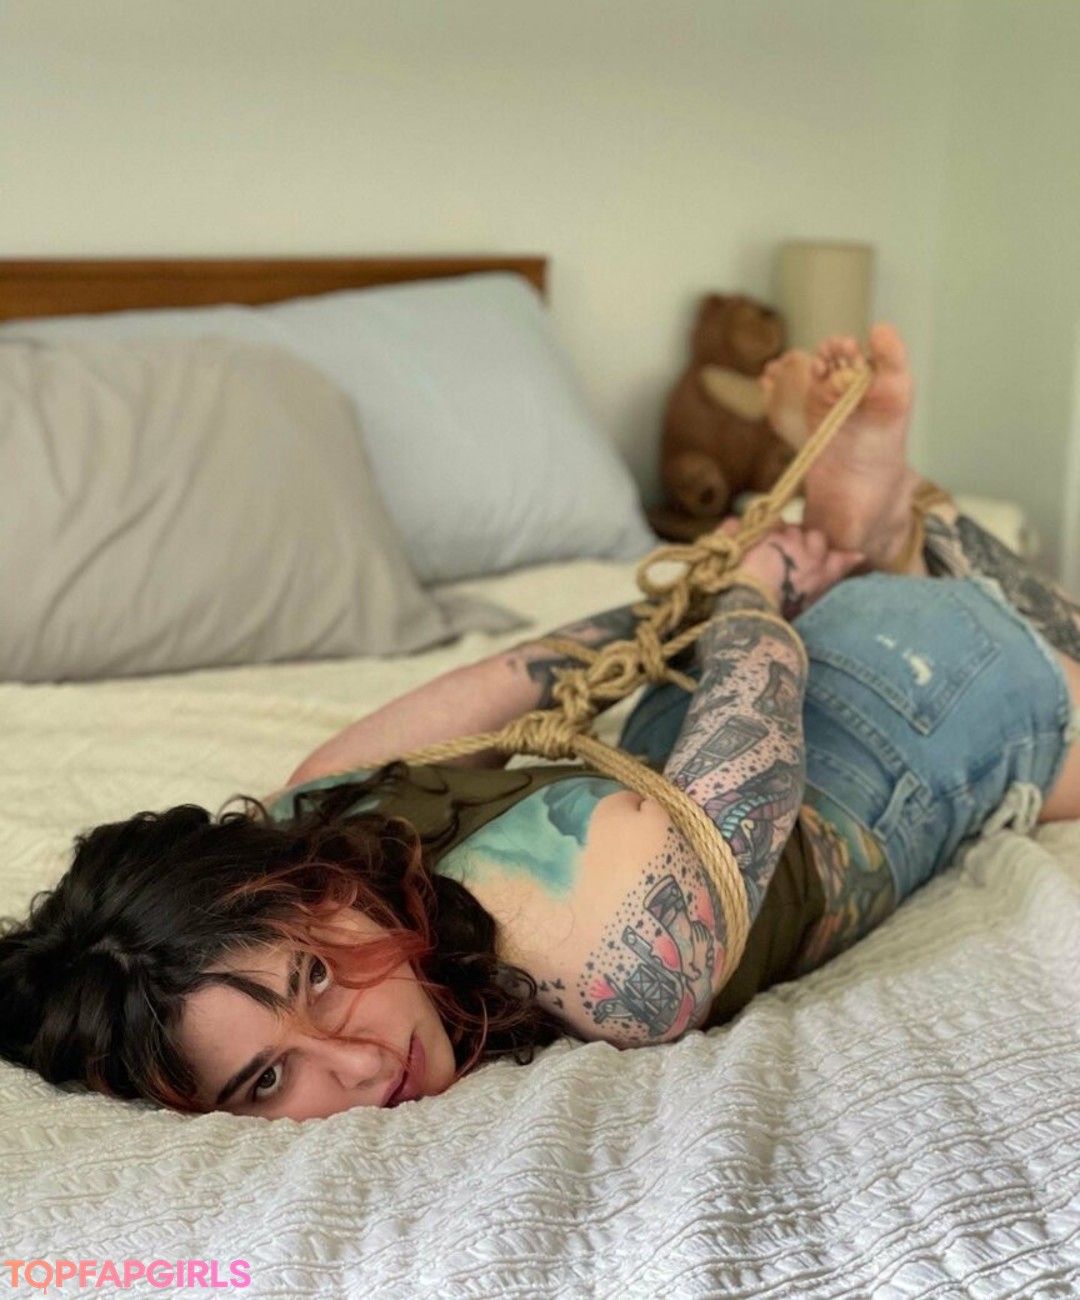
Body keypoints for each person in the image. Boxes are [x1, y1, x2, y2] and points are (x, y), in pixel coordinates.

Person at [3, 327, 1080, 1123]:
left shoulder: (603, 958)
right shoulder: (317, 809)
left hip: (913, 709)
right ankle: (867, 529)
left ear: (305, 889)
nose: (361, 1065)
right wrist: (745, 595)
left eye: (316, 980)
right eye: (268, 1080)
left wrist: (741, 590)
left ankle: (869, 532)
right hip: (714, 713)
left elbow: (543, 674)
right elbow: (525, 676)